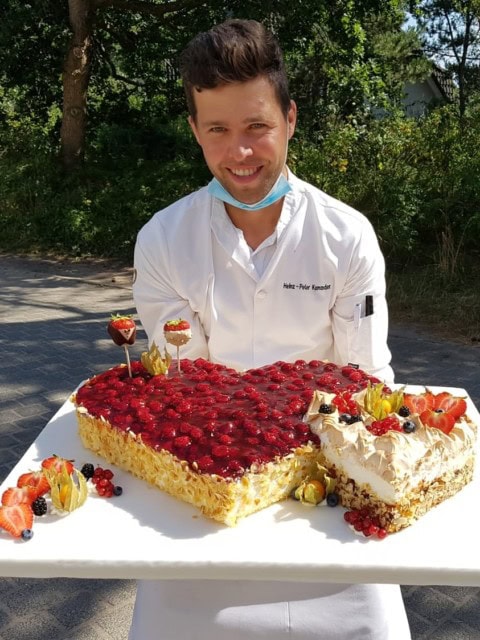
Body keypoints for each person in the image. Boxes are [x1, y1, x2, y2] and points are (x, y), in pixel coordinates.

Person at [130, 18, 411, 640]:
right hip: (204, 501)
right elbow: (186, 385)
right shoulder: (163, 240)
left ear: (289, 118)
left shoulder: (347, 237)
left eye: (257, 126)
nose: (241, 152)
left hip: (332, 503)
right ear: (195, 132)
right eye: (219, 131)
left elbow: (363, 385)